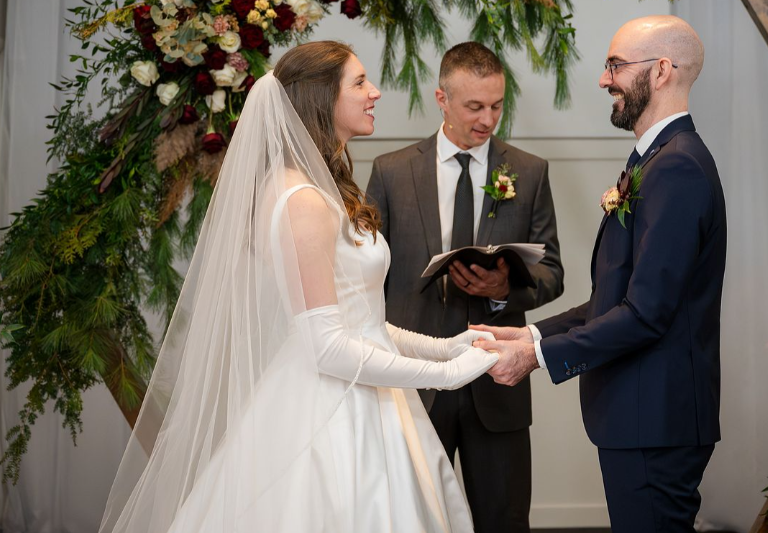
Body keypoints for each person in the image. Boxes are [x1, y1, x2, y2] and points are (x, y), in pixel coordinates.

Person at [100, 41, 498, 533]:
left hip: (363, 394)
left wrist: (445, 347)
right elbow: (328, 346)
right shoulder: (302, 202)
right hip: (330, 412)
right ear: (319, 98)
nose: (374, 93)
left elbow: (362, 323)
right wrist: (447, 374)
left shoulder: (317, 188)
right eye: (358, 83)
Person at [475, 16, 727, 532]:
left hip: (655, 419)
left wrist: (536, 357)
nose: (603, 79)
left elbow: (646, 314)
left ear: (660, 71)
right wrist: (531, 331)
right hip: (640, 417)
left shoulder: (676, 168)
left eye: (615, 65)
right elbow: (618, 296)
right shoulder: (654, 161)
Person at [367, 42, 564, 533]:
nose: (488, 118)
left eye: (497, 105)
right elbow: (367, 277)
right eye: (475, 106)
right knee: (409, 519)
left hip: (497, 383)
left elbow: (552, 273)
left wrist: (503, 288)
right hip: (414, 381)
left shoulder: (529, 170)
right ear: (442, 98)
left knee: (504, 521)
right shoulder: (392, 172)